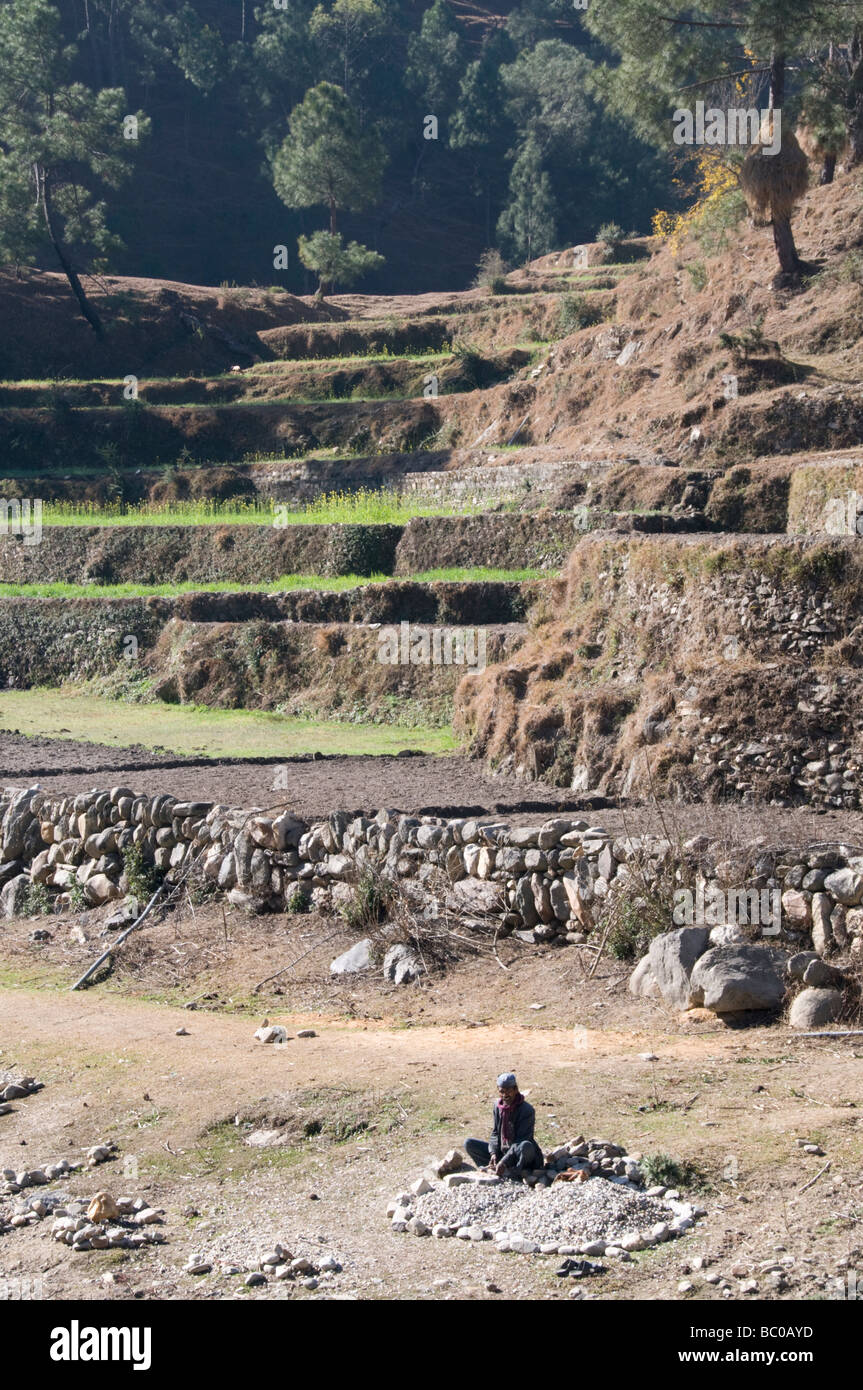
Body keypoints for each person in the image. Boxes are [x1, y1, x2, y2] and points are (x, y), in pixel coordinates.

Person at [464, 1072, 543, 1179]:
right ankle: (494, 1168)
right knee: (469, 1144)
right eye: (502, 1092)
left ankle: (517, 1173)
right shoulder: (497, 1106)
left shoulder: (526, 1110)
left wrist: (504, 1161)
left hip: (519, 1154)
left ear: (515, 1090)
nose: (505, 1095)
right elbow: (495, 1132)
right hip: (503, 1153)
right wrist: (493, 1153)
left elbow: (521, 1140)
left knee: (526, 1146)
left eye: (509, 1091)